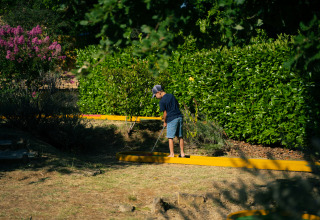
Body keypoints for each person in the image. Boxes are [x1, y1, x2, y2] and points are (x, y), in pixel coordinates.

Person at [152, 85, 186, 158]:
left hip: (171, 118)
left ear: (158, 92)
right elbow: (177, 105)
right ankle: (182, 153)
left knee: (170, 137)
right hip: (179, 117)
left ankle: (172, 154)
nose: (156, 97)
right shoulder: (171, 96)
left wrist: (165, 122)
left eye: (155, 95)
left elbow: (165, 113)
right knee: (180, 136)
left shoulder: (162, 101)